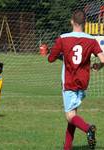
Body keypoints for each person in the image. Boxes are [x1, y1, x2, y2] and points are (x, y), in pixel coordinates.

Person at [48, 10, 104, 150]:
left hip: (69, 82)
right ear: (84, 23)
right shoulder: (91, 40)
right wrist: (99, 65)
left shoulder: (63, 38)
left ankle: (88, 128)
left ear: (72, 21)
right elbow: (103, 59)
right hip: (83, 82)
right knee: (74, 113)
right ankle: (67, 147)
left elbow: (50, 59)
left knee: (70, 116)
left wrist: (59, 55)